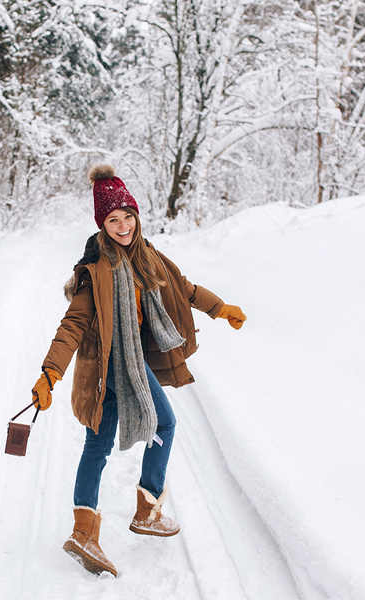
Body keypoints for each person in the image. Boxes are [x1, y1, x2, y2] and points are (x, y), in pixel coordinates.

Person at [32, 164, 246, 577]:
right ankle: (147, 509)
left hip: (124, 364)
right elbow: (72, 325)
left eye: (127, 215)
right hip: (114, 364)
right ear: (102, 224)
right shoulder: (95, 272)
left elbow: (183, 288)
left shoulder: (149, 257)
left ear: (136, 215)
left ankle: (84, 533)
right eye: (113, 219)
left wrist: (220, 309)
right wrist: (49, 373)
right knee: (164, 422)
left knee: (96, 447)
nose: (123, 225)